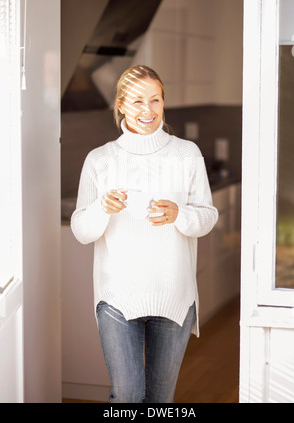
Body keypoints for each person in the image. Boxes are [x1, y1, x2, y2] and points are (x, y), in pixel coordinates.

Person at [71, 65, 218, 403]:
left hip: (174, 294)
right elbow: (81, 229)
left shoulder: (186, 154)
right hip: (117, 298)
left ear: (164, 103)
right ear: (121, 105)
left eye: (155, 100)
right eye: (137, 101)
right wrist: (102, 208)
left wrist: (179, 214)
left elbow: (208, 216)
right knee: (127, 396)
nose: (147, 110)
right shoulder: (100, 160)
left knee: (160, 399)